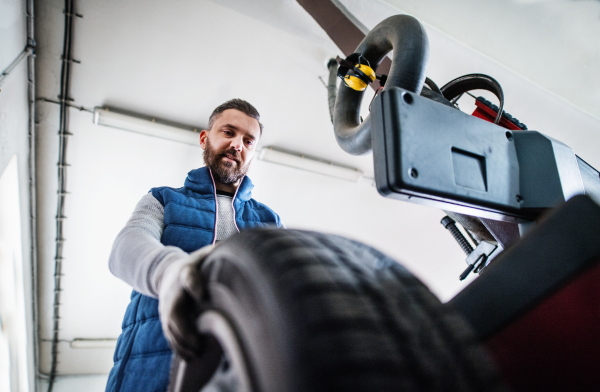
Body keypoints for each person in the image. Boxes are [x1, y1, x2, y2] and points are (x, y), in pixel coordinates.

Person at [105, 99, 283, 392]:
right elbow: (125, 247)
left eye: (248, 140)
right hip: (148, 372)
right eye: (228, 132)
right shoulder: (163, 199)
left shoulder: (269, 220)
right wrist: (171, 274)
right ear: (205, 138)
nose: (238, 144)